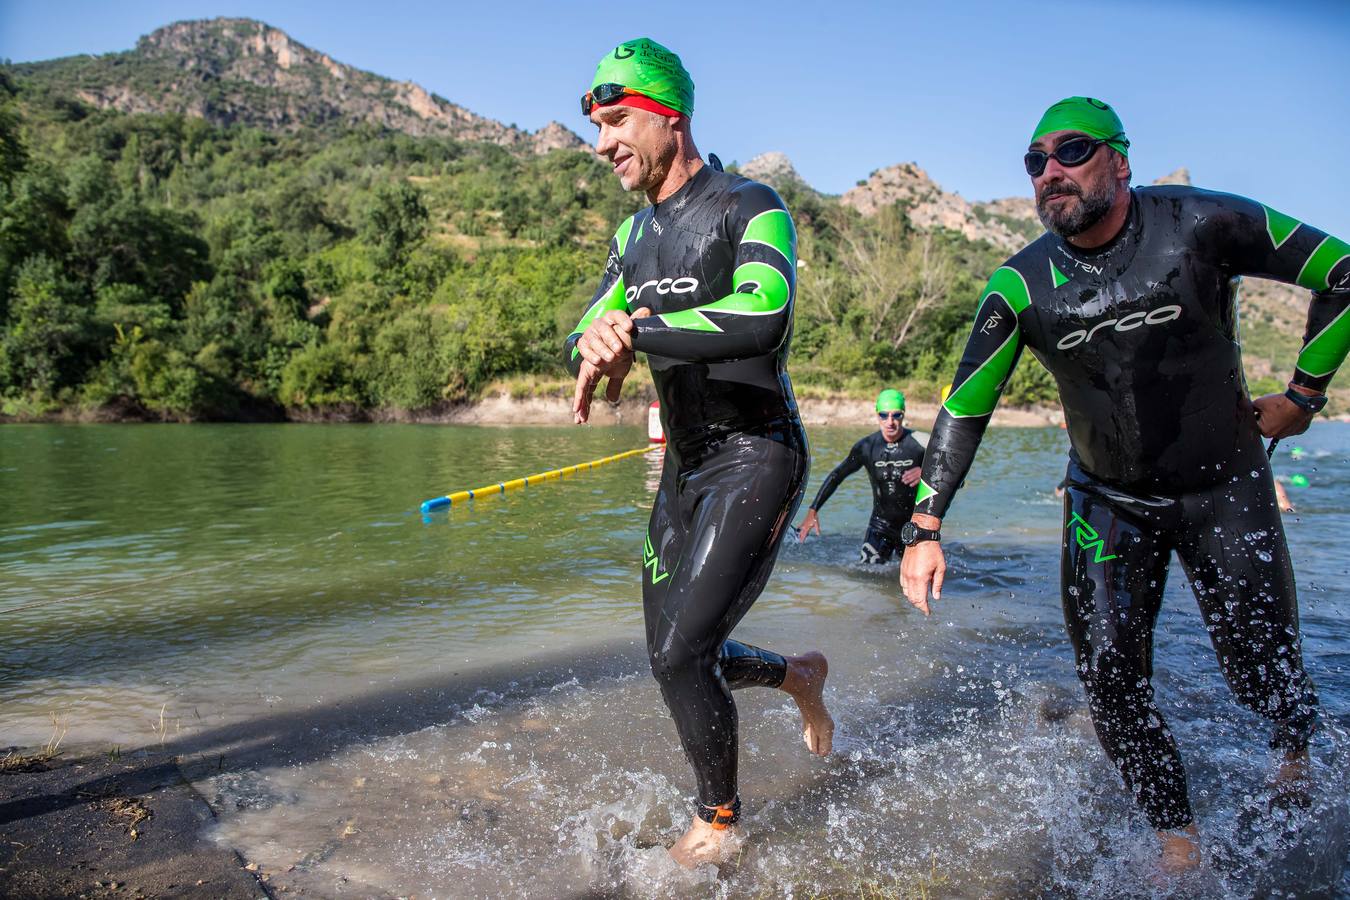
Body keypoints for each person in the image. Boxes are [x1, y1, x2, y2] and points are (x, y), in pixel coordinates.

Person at [899, 96, 1348, 874]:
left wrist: (1305, 397)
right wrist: (926, 527)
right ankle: (1178, 841)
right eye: (1034, 162)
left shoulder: (1202, 224)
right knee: (1108, 675)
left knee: (1258, 666)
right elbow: (964, 404)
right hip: (1106, 503)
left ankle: (1294, 751)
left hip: (1224, 487)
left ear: (1121, 159)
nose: (1051, 173)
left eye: (1071, 151)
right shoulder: (1020, 285)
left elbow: (1342, 272)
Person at [565, 38, 833, 867]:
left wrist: (636, 328)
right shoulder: (633, 233)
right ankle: (797, 676)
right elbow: (588, 318)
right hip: (683, 469)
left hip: (757, 453)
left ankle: (719, 822)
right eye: (596, 128)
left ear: (668, 115)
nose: (602, 143)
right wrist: (595, 335)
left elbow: (764, 312)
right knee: (671, 652)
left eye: (616, 121)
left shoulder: (750, 204)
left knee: (683, 651)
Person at [797, 389, 926, 563]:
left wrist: (927, 474)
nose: (890, 422)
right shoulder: (866, 446)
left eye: (896, 415)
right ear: (876, 415)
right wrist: (813, 510)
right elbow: (837, 475)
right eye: (883, 415)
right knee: (868, 576)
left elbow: (956, 479)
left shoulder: (921, 443)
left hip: (914, 525)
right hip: (880, 526)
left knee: (916, 581)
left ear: (903, 415)